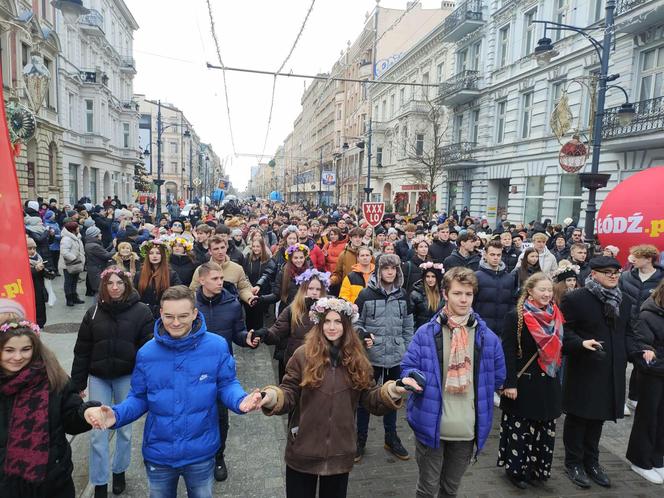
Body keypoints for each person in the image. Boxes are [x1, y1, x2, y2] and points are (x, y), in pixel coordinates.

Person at [84, 286, 264, 498]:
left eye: (183, 316)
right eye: (169, 316)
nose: (176, 323)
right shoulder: (146, 353)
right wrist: (116, 414)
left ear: (195, 313)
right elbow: (139, 397)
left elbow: (227, 384)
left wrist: (240, 401)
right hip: (159, 453)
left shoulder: (216, 346)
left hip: (201, 451)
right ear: (160, 313)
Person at [258, 297, 416, 498]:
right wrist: (270, 396)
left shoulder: (358, 359)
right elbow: (288, 392)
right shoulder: (302, 355)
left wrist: (393, 390)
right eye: (327, 321)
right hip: (303, 448)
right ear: (319, 324)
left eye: (338, 322)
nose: (332, 327)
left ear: (347, 325)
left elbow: (370, 398)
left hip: (339, 452)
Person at [400, 267, 506, 498]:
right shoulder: (425, 333)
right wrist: (411, 378)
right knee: (427, 490)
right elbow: (408, 367)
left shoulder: (487, 338)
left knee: (450, 490)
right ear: (445, 294)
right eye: (457, 293)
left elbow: (498, 377)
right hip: (432, 427)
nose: (464, 299)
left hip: (467, 430)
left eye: (468, 294)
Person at [70, 267, 154, 497]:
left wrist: (147, 380)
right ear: (104, 286)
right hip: (99, 377)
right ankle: (99, 481)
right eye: (110, 283)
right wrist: (76, 385)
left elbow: (149, 349)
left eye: (119, 282)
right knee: (98, 431)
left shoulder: (142, 312)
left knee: (124, 430)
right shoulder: (93, 312)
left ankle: (119, 470)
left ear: (127, 284)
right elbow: (82, 350)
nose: (115, 287)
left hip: (127, 377)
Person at [0, 321, 100, 498]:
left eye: (25, 349)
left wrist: (86, 413)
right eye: (9, 350)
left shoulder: (54, 379)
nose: (17, 357)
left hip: (52, 481)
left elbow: (71, 419)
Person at [560, 256, 631, 489]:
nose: (613, 276)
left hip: (611, 370)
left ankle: (592, 462)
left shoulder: (625, 300)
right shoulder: (575, 299)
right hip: (585, 367)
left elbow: (627, 334)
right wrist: (581, 344)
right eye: (608, 272)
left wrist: (640, 352)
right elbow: (563, 333)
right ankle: (573, 463)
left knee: (598, 418)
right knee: (579, 417)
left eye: (617, 272)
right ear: (594, 274)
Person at [497, 273, 563, 488]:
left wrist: (582, 344)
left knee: (544, 428)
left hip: (548, 381)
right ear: (530, 291)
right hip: (524, 382)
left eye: (549, 290)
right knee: (521, 428)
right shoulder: (515, 316)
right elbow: (507, 351)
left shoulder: (556, 315)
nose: (546, 294)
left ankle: (537, 469)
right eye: (542, 290)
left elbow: (561, 345)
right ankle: (516, 471)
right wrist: (509, 383)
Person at [195, 262, 259, 482]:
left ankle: (218, 455)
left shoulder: (232, 304)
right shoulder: (190, 304)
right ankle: (197, 455)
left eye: (221, 278)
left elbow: (237, 332)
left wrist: (246, 339)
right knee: (197, 414)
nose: (220, 282)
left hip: (221, 369)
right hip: (193, 370)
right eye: (215, 279)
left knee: (221, 416)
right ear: (202, 280)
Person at [354, 253, 414, 462]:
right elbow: (355, 323)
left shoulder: (403, 295)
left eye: (393, 269)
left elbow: (408, 325)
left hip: (395, 356)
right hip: (371, 357)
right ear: (378, 270)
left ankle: (391, 437)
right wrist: (363, 336)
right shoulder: (365, 295)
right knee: (365, 400)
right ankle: (359, 439)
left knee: (393, 397)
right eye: (386, 268)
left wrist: (405, 349)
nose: (390, 272)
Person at [625, 279, 664, 483]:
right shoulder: (648, 314)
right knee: (648, 418)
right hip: (653, 376)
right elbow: (643, 350)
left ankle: (658, 459)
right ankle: (640, 460)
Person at [620, 244, 664, 413]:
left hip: (650, 326)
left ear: (648, 259)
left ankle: (634, 397)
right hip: (627, 325)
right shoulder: (626, 276)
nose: (633, 260)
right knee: (622, 362)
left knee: (642, 362)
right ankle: (621, 400)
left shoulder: (661, 278)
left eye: (636, 257)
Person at [257, 269, 329, 370]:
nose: (314, 292)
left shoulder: (328, 310)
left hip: (319, 364)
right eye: (311, 288)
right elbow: (278, 330)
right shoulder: (293, 309)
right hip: (295, 363)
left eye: (318, 289)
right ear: (304, 289)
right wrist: (265, 333)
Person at [189, 236, 257, 306]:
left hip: (231, 309)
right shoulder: (201, 270)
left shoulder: (237, 268)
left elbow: (243, 288)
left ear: (226, 247)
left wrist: (249, 298)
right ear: (210, 251)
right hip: (208, 309)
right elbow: (193, 291)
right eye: (216, 249)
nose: (220, 252)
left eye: (222, 248)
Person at [473, 239, 517, 338]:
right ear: (485, 255)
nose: (496, 258)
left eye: (498, 255)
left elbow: (512, 303)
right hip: (481, 329)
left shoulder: (509, 278)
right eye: (492, 255)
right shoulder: (476, 277)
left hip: (503, 331)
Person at [134, 239, 181, 318]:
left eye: (158, 253)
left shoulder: (172, 274)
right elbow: (134, 294)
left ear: (163, 255)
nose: (154, 256)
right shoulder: (139, 275)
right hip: (143, 314)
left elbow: (178, 293)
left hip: (165, 314)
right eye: (151, 253)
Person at [242, 236, 275, 331]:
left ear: (262, 247)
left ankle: (258, 334)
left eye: (258, 246)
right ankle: (249, 334)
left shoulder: (268, 259)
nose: (256, 248)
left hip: (262, 291)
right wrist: (249, 286)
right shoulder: (247, 258)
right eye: (254, 246)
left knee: (258, 316)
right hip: (249, 290)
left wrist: (259, 285)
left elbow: (267, 274)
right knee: (249, 315)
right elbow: (244, 273)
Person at [59, 221, 86, 307]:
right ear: (73, 229)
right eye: (77, 227)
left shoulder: (77, 237)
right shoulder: (66, 239)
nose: (79, 228)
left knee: (74, 281)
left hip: (76, 263)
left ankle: (75, 297)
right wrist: (74, 258)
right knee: (69, 282)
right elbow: (64, 251)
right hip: (69, 264)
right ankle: (69, 299)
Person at [409, 263, 444, 329]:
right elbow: (411, 319)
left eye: (433, 276)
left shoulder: (443, 294)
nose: (430, 280)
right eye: (427, 276)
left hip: (438, 332)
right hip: (421, 332)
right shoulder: (416, 294)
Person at [84, 226, 115, 299]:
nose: (101, 234)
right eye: (99, 233)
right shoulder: (94, 246)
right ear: (95, 235)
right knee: (99, 291)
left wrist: (112, 245)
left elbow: (103, 251)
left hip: (95, 269)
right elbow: (107, 255)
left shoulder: (91, 244)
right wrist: (115, 248)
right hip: (97, 270)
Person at [27, 237, 49, 327]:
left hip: (39, 288)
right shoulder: (21, 259)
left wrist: (47, 271)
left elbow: (41, 274)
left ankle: (40, 325)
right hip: (29, 290)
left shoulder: (38, 257)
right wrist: (35, 270)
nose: (33, 251)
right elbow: (24, 274)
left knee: (40, 309)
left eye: (34, 248)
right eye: (30, 248)